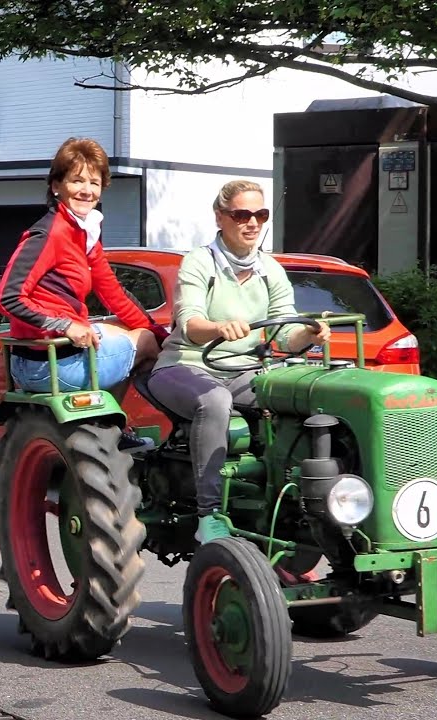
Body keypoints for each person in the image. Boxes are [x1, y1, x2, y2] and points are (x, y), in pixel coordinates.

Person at [146, 179, 331, 544]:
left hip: (242, 369)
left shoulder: (270, 269)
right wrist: (218, 327)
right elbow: (191, 324)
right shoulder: (199, 262)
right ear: (221, 217)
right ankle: (208, 513)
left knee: (301, 393)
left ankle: (298, 506)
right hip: (186, 365)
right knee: (214, 401)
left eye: (260, 215)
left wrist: (308, 334)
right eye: (241, 214)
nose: (253, 223)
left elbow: (283, 332)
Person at [0, 137, 166, 452]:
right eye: (77, 180)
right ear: (57, 185)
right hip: (47, 362)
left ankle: (110, 425)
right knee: (145, 345)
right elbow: (8, 298)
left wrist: (161, 333)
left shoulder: (82, 235)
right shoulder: (48, 235)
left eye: (94, 182)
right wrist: (65, 325)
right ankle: (121, 427)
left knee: (143, 335)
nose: (86, 190)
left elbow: (114, 293)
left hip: (55, 354)